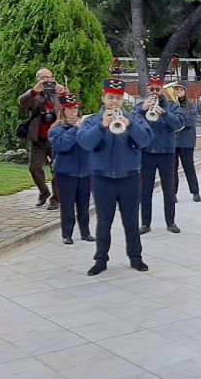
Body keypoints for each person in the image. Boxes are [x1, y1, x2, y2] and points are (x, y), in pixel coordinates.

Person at [76, 78, 154, 276]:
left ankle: (135, 257)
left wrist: (130, 126)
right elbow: (85, 142)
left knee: (131, 220)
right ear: (103, 98)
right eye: (110, 97)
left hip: (129, 177)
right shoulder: (92, 120)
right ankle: (101, 259)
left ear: (122, 100)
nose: (114, 102)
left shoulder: (133, 118)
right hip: (102, 178)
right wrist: (102, 126)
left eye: (118, 98)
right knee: (104, 221)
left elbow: (146, 140)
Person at [134, 74, 185, 235]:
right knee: (145, 189)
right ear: (148, 89)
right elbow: (132, 124)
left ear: (162, 89)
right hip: (146, 152)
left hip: (166, 152)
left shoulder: (172, 106)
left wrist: (163, 112)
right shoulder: (140, 106)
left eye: (157, 89)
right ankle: (145, 223)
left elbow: (178, 124)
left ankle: (170, 222)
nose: (154, 92)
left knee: (168, 189)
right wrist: (143, 110)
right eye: (151, 89)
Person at [48, 94, 94, 245]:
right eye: (70, 108)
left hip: (85, 171)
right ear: (63, 110)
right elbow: (61, 145)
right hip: (66, 172)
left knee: (84, 204)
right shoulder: (57, 128)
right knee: (67, 204)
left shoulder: (84, 125)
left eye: (75, 107)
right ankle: (67, 234)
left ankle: (85, 232)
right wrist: (75, 129)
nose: (74, 110)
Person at [18, 67, 61, 210]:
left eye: (49, 77)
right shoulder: (34, 95)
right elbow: (22, 103)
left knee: (57, 169)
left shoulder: (58, 93)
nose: (47, 80)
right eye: (43, 78)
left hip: (56, 138)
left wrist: (64, 92)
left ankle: (56, 199)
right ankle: (44, 192)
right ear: (38, 80)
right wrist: (34, 90)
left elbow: (72, 108)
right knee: (34, 168)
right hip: (39, 138)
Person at [172, 80, 201, 202]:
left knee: (188, 167)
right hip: (173, 141)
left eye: (181, 90)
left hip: (187, 141)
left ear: (185, 91)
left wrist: (177, 119)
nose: (178, 92)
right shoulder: (170, 105)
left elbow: (191, 122)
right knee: (172, 168)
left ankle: (195, 192)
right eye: (176, 90)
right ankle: (172, 193)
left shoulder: (191, 105)